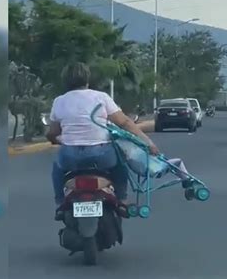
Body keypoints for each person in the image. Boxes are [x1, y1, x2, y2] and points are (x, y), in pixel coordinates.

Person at [46, 62, 160, 219]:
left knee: (57, 167)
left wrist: (56, 139)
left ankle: (59, 203)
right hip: (102, 155)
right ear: (87, 79)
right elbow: (125, 123)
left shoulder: (59, 101)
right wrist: (149, 143)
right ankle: (122, 200)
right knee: (120, 163)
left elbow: (53, 132)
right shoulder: (101, 97)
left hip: (70, 156)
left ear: (65, 80)